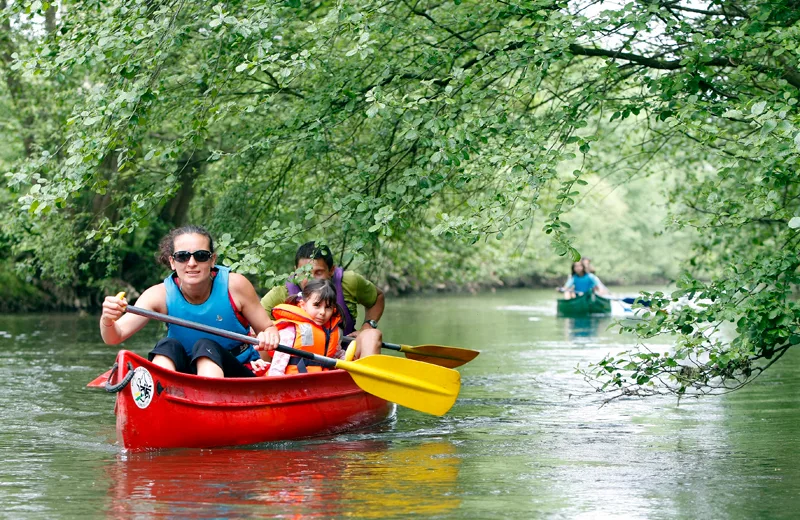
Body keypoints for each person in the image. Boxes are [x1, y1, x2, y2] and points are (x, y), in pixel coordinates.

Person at [100, 225, 280, 378]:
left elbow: (268, 328)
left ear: (212, 260)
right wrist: (107, 319)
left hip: (235, 373)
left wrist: (269, 336)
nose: (191, 263)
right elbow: (115, 336)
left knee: (205, 346)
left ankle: (209, 402)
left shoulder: (236, 285)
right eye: (182, 257)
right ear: (172, 262)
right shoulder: (158, 295)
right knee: (166, 345)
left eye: (201, 255)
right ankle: (162, 392)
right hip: (184, 378)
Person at [260, 241, 384, 358]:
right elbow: (252, 323)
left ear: (331, 270)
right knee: (265, 337)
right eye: (304, 273)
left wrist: (367, 326)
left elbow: (378, 298)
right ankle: (266, 378)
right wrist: (270, 330)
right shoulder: (281, 293)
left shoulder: (349, 282)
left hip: (343, 356)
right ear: (296, 271)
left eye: (318, 272)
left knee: (372, 335)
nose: (310, 279)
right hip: (294, 362)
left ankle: (363, 379)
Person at [267, 279, 345, 376]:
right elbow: (277, 368)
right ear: (303, 305)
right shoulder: (291, 330)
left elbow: (338, 355)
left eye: (328, 307)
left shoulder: (330, 332)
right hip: (293, 383)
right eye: (317, 305)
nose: (322, 312)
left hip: (320, 383)